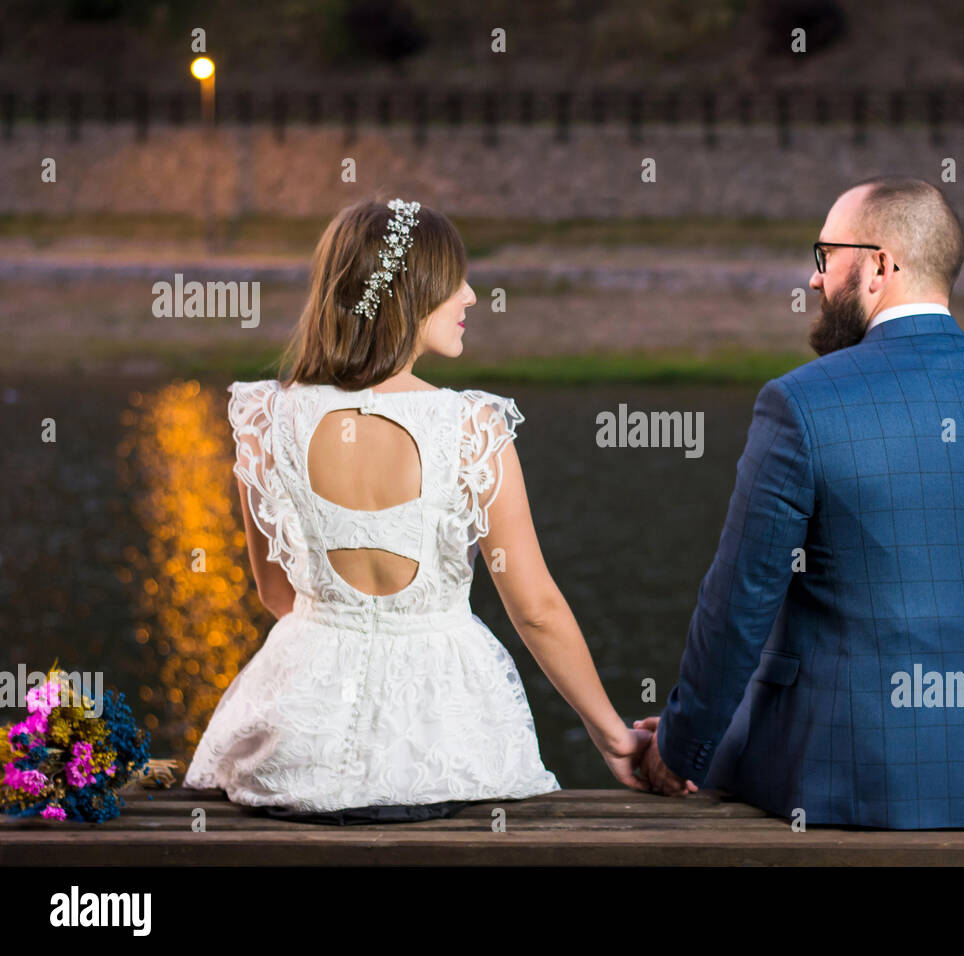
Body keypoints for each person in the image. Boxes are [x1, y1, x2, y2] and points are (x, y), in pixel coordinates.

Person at [637, 176, 964, 828]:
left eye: (826, 257)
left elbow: (738, 604)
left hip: (827, 776)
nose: (816, 280)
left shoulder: (799, 403)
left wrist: (680, 747)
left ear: (879, 265)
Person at [184, 197, 651, 823]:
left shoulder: (264, 419)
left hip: (297, 748)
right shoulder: (470, 427)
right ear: (407, 296)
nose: (471, 298)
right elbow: (535, 609)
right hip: (449, 749)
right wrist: (612, 735)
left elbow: (277, 594)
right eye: (454, 280)